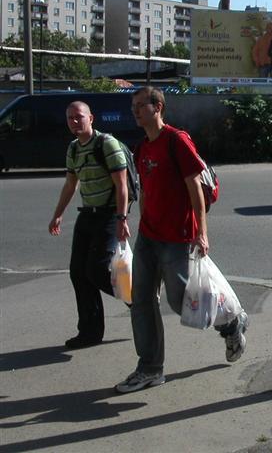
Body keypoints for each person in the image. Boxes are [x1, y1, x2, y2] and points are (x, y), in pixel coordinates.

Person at [116, 86, 247, 393]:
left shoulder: (176, 140)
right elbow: (146, 191)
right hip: (149, 237)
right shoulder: (142, 149)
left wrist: (202, 231)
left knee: (180, 301)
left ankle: (231, 323)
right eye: (132, 106)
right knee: (140, 302)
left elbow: (195, 188)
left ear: (157, 107)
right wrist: (139, 222)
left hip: (177, 237)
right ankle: (150, 368)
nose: (134, 111)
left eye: (140, 106)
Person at [49, 101, 131, 349]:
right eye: (70, 118)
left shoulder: (106, 144)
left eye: (79, 117)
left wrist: (121, 218)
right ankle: (89, 332)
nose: (74, 122)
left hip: (108, 215)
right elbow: (70, 185)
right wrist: (58, 214)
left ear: (91, 118)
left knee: (95, 270)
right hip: (87, 216)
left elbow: (122, 185)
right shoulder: (74, 149)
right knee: (78, 273)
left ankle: (136, 299)